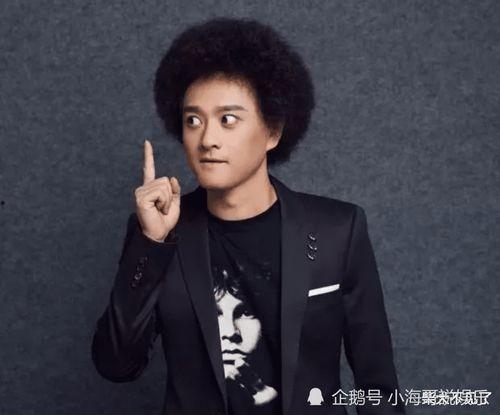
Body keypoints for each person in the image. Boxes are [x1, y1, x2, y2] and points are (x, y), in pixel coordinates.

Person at [91, 17, 405, 415]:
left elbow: (378, 385)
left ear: (272, 131)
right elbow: (117, 366)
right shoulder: (160, 233)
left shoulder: (338, 230)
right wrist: (151, 245)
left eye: (228, 119)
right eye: (193, 120)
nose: (207, 139)